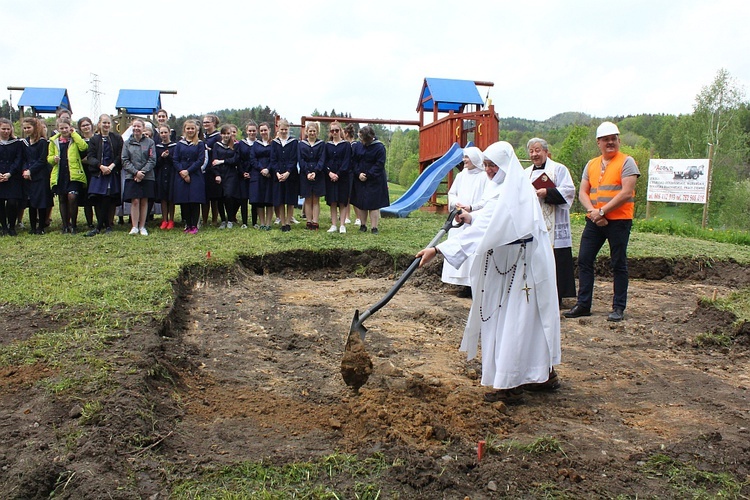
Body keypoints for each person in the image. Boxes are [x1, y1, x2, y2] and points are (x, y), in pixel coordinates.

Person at [417, 141, 561, 405]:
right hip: (509, 263)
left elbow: (491, 226)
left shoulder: (516, 193)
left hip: (522, 268)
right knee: (521, 321)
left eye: (494, 165)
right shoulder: (501, 189)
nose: (490, 171)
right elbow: (488, 219)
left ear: (506, 166)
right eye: (486, 166)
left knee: (516, 322)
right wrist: (469, 218)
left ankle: (511, 384)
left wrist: (438, 250)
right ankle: (540, 374)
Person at [564, 122, 640, 322]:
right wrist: (593, 212)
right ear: (598, 142)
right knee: (584, 259)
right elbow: (583, 192)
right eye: (606, 139)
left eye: (614, 138)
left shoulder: (627, 162)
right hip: (594, 220)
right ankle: (583, 304)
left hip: (619, 221)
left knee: (618, 263)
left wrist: (603, 211)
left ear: (619, 140)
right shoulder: (592, 164)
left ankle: (618, 307)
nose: (610, 142)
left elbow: (626, 192)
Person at [525, 138, 577, 307]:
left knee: (556, 259)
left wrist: (547, 192)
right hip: (534, 222)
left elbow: (569, 190)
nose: (534, 154)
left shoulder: (559, 169)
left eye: (538, 150)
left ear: (546, 151)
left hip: (554, 222)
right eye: (531, 151)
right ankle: (535, 294)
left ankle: (557, 297)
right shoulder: (526, 173)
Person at [441, 146, 488, 297]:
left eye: (467, 157)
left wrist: (471, 208)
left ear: (475, 158)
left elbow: (487, 200)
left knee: (473, 249)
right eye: (464, 157)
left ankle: (474, 285)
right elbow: (452, 193)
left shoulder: (484, 177)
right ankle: (463, 284)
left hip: (474, 218)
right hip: (459, 217)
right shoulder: (461, 176)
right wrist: (456, 204)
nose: (464, 160)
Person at [48, 117, 88, 234]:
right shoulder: (53, 142)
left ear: (70, 128)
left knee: (72, 197)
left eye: (66, 128)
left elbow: (84, 147)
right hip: (60, 173)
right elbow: (48, 158)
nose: (64, 130)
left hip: (73, 173)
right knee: (62, 199)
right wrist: (53, 159)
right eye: (62, 128)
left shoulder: (75, 139)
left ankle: (74, 224)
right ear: (58, 129)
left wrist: (74, 134)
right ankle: (65, 225)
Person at [85, 114, 123, 236]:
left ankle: (102, 226)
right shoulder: (94, 139)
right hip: (98, 172)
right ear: (99, 124)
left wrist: (111, 167)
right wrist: (100, 166)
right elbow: (90, 157)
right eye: (104, 123)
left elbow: (119, 155)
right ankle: (103, 225)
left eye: (108, 123)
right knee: (98, 198)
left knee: (108, 198)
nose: (106, 125)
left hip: (111, 172)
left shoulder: (116, 138)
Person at [350, 126, 388, 234]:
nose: (362, 141)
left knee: (373, 204)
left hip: (375, 179)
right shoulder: (357, 146)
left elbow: (379, 164)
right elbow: (354, 161)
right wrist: (358, 173)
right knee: (361, 203)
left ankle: (374, 227)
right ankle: (363, 225)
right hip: (360, 178)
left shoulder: (379, 147)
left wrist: (368, 175)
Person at [121, 119, 156, 236]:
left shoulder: (150, 142)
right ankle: (134, 226)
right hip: (132, 176)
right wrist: (136, 173)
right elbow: (124, 160)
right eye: (134, 126)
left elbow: (152, 159)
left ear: (143, 128)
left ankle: (142, 226)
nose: (136, 128)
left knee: (144, 201)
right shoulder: (127, 143)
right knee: (135, 201)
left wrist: (142, 172)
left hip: (147, 176)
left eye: (139, 126)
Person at [172, 119, 207, 234]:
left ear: (196, 130)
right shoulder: (179, 144)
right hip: (181, 175)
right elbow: (175, 159)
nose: (190, 130)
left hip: (195, 175)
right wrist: (182, 171)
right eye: (188, 128)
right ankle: (187, 224)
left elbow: (200, 160)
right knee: (184, 201)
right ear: (184, 130)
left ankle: (194, 224)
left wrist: (188, 171)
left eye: (192, 128)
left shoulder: (200, 144)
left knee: (194, 200)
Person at [21, 117, 52, 235]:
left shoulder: (43, 142)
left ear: (35, 127)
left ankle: (41, 227)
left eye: (29, 127)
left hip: (40, 175)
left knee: (41, 201)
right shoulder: (25, 142)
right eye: (24, 128)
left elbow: (42, 160)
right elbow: (23, 158)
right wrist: (25, 170)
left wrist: (31, 171)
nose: (26, 130)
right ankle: (32, 227)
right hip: (28, 176)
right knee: (31, 201)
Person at [270, 118, 299, 232]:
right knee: (280, 199)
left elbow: (294, 159)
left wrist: (287, 172)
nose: (283, 131)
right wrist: (277, 172)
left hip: (290, 175)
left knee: (290, 199)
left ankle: (288, 222)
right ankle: (282, 222)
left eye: (285, 129)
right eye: (281, 129)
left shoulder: (293, 142)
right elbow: (273, 159)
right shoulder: (274, 143)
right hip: (278, 175)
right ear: (278, 128)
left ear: (288, 129)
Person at [210, 124, 240, 229]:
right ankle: (223, 220)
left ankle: (230, 219)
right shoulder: (217, 145)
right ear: (221, 134)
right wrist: (217, 175)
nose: (226, 136)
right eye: (224, 134)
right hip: (220, 174)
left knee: (228, 196)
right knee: (220, 197)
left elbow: (235, 160)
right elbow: (214, 161)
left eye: (228, 133)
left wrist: (222, 161)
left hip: (231, 174)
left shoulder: (235, 145)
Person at [324, 121, 351, 233]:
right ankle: (334, 224)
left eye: (336, 130)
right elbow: (324, 161)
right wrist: (329, 173)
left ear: (341, 131)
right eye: (332, 130)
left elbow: (347, 161)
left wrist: (338, 174)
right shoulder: (327, 145)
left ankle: (342, 225)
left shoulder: (346, 145)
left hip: (343, 177)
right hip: (330, 177)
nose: (334, 132)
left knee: (342, 201)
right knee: (333, 201)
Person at [299, 122, 326, 230]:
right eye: (310, 131)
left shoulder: (321, 144)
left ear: (317, 132)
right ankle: (308, 221)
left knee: (316, 199)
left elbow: (322, 159)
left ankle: (315, 222)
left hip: (318, 174)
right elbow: (300, 159)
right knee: (308, 198)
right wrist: (307, 172)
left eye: (314, 131)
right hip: (305, 174)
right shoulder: (301, 144)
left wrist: (315, 171)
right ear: (306, 132)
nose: (312, 133)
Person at [0, 118, 24, 236]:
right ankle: (3, 227)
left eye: (8, 129)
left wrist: (9, 173)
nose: (5, 131)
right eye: (3, 129)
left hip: (13, 176)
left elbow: (18, 160)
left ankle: (12, 226)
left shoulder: (17, 143)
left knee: (12, 202)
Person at [201, 114, 222, 227]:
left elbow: (220, 150)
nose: (205, 124)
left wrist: (210, 149)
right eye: (204, 122)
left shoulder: (218, 136)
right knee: (204, 197)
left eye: (208, 122)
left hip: (214, 168)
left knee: (214, 196)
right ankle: (204, 220)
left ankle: (214, 219)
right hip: (204, 169)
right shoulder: (203, 136)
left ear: (213, 123)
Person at [77, 117, 96, 230]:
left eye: (87, 124)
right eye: (83, 125)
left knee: (98, 198)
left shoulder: (97, 138)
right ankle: (89, 223)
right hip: (84, 172)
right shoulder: (79, 141)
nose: (86, 127)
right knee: (86, 199)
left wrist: (90, 159)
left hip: (96, 171)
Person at [155, 125, 176, 230]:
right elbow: (156, 164)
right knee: (163, 198)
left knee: (171, 198)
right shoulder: (157, 147)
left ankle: (171, 220)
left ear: (169, 133)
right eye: (161, 133)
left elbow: (176, 161)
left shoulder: (175, 146)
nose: (163, 135)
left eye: (165, 132)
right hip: (161, 174)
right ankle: (164, 220)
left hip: (172, 174)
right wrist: (162, 157)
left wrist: (169, 157)